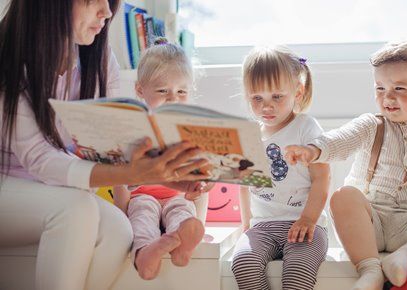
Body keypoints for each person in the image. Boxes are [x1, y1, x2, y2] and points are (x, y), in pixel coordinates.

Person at [0, 1, 207, 290]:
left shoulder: (97, 56)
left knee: (119, 231)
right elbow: (41, 160)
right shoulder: (11, 56)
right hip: (9, 185)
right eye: (95, 0)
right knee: (76, 208)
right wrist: (139, 174)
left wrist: (170, 176)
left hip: (57, 190)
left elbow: (109, 145)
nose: (107, 12)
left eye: (109, 2)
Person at [285, 38, 407, 289]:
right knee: (344, 196)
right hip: (369, 224)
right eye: (379, 88)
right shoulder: (370, 126)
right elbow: (340, 140)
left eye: (399, 88)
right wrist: (313, 150)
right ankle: (369, 269)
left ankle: (404, 257)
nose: (388, 97)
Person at [230, 46, 331, 290]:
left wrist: (308, 219)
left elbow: (322, 177)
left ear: (298, 92)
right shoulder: (249, 135)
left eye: (277, 97)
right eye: (257, 98)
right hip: (262, 226)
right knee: (242, 262)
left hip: (304, 224)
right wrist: (246, 226)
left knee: (298, 269)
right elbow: (244, 185)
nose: (267, 107)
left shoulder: (306, 127)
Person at [113, 38, 211, 280]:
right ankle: (147, 252)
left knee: (184, 212)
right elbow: (121, 181)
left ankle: (181, 247)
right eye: (162, 91)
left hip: (176, 198)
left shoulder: (191, 131)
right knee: (142, 216)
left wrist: (200, 218)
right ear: (140, 91)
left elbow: (200, 184)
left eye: (181, 91)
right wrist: (121, 217)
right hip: (141, 197)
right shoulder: (133, 132)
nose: (173, 99)